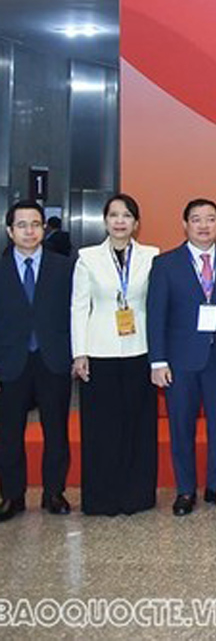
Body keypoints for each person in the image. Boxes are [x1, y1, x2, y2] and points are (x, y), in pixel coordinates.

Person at [147, 198, 216, 516]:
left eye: (211, 219)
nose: (204, 226)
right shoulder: (165, 264)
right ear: (185, 224)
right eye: (197, 219)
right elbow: (156, 315)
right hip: (180, 361)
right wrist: (158, 361)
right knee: (181, 428)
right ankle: (185, 491)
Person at [71, 194, 159, 516]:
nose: (120, 221)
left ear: (136, 223)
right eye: (114, 215)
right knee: (101, 428)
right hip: (99, 351)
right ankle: (102, 498)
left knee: (138, 426)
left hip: (140, 350)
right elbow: (79, 307)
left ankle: (137, 496)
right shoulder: (87, 258)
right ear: (105, 221)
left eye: (127, 216)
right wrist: (79, 352)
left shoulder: (152, 256)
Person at [0, 200, 75, 521]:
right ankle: (12, 496)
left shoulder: (65, 266)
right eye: (22, 225)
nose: (29, 231)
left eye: (35, 224)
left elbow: (76, 313)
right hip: (10, 361)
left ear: (44, 228)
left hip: (53, 359)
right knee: (8, 433)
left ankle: (53, 492)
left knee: (56, 430)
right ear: (9, 231)